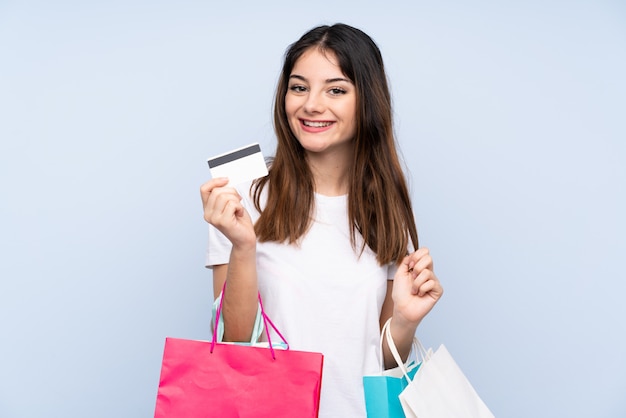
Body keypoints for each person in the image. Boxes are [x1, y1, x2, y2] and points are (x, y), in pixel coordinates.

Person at [200, 23, 443, 416]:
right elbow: (233, 342)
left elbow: (379, 362)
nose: (312, 104)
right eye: (299, 87)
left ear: (367, 100)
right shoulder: (244, 193)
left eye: (336, 89)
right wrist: (243, 246)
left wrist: (403, 321)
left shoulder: (387, 206)